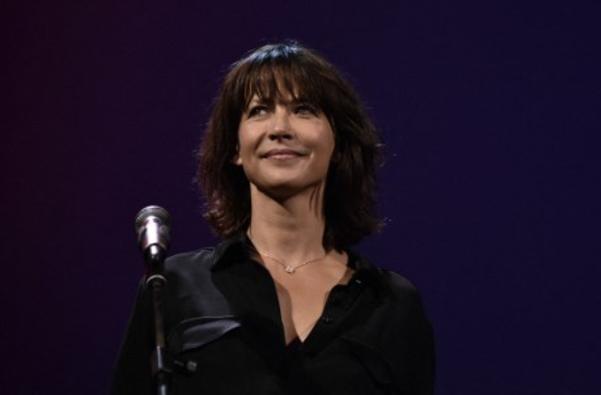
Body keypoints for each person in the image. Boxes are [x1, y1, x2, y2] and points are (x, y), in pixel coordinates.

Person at [112, 42, 434, 395]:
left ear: (339, 144)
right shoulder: (171, 286)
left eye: (303, 109)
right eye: (259, 110)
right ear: (235, 147)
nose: (280, 128)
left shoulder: (392, 304)